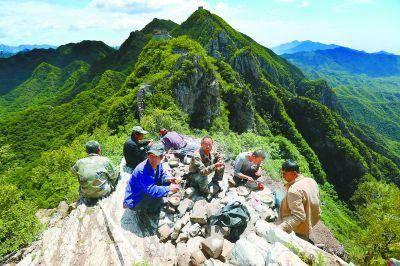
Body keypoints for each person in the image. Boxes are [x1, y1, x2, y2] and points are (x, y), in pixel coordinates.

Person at [123, 143, 180, 213]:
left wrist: (168, 179)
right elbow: (151, 190)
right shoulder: (142, 170)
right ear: (148, 156)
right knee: (158, 199)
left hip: (144, 188)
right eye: (151, 156)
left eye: (156, 156)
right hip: (135, 199)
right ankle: (148, 209)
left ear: (162, 157)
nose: (153, 159)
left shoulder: (158, 164)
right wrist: (169, 188)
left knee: (166, 183)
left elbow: (161, 174)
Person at [277, 160, 321, 241]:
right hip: (311, 219)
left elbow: (299, 216)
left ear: (294, 173)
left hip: (299, 228)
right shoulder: (311, 180)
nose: (283, 176)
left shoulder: (294, 190)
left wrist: (280, 228)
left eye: (285, 173)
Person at [72, 140, 118, 206]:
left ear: (87, 152)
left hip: (86, 194)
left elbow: (73, 172)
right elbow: (115, 175)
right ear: (99, 150)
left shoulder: (79, 162)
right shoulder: (105, 160)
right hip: (103, 192)